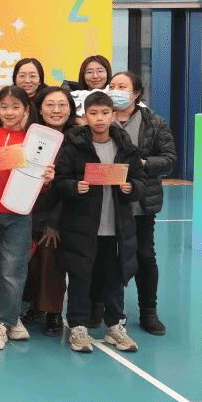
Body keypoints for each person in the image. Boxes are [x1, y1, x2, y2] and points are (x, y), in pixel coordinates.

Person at [54, 91, 147, 353]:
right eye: (93, 113)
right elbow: (60, 181)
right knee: (80, 278)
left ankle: (115, 326)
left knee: (114, 280)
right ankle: (78, 327)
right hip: (82, 229)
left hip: (116, 229)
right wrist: (75, 186)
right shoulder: (73, 148)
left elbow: (141, 180)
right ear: (85, 116)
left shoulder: (126, 148)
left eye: (105, 113)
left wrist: (132, 187)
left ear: (113, 115)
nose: (99, 118)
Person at [0, 85, 54, 350]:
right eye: (4, 107)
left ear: (26, 110)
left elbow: (40, 185)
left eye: (15, 107)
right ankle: (12, 318)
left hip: (19, 214)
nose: (9, 112)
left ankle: (0, 323)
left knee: (13, 269)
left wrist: (46, 180)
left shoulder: (34, 141)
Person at [109, 71, 176, 336]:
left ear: (136, 93)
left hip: (140, 203)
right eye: (112, 86)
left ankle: (149, 311)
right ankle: (111, 311)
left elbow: (169, 159)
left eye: (122, 86)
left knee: (144, 256)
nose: (116, 91)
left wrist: (144, 163)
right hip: (106, 203)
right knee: (108, 257)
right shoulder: (99, 118)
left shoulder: (154, 122)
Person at [23, 86, 77, 337]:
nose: (56, 110)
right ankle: (35, 307)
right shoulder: (31, 137)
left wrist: (54, 222)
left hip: (62, 214)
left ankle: (54, 312)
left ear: (70, 109)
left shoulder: (77, 139)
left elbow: (71, 183)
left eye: (62, 105)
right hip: (31, 210)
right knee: (33, 263)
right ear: (40, 109)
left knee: (52, 261)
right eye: (50, 105)